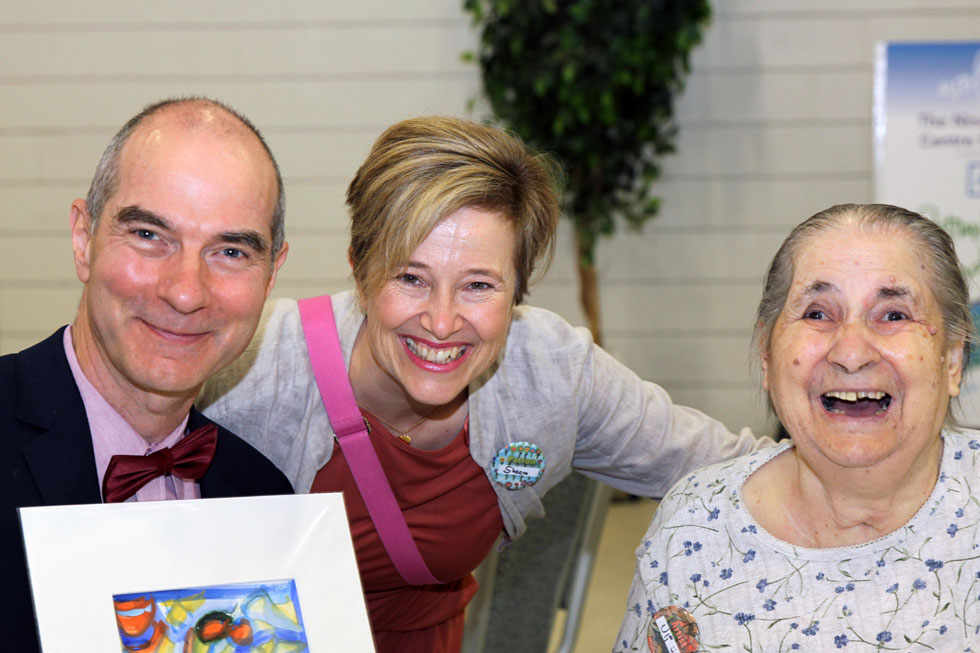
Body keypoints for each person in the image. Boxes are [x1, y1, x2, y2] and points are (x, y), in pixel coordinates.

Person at [198, 115, 769, 652]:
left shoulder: (549, 373)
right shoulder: (244, 369)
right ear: (360, 271)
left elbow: (732, 473)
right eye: (411, 278)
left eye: (478, 286)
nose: (442, 322)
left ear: (520, 289)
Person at [615, 203, 980, 651]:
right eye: (817, 314)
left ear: (953, 358)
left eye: (893, 315)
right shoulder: (694, 527)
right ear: (766, 358)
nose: (851, 352)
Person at [0, 97, 294, 652]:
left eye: (231, 251)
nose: (185, 292)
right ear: (83, 239)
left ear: (271, 274)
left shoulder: (263, 496)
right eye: (149, 236)